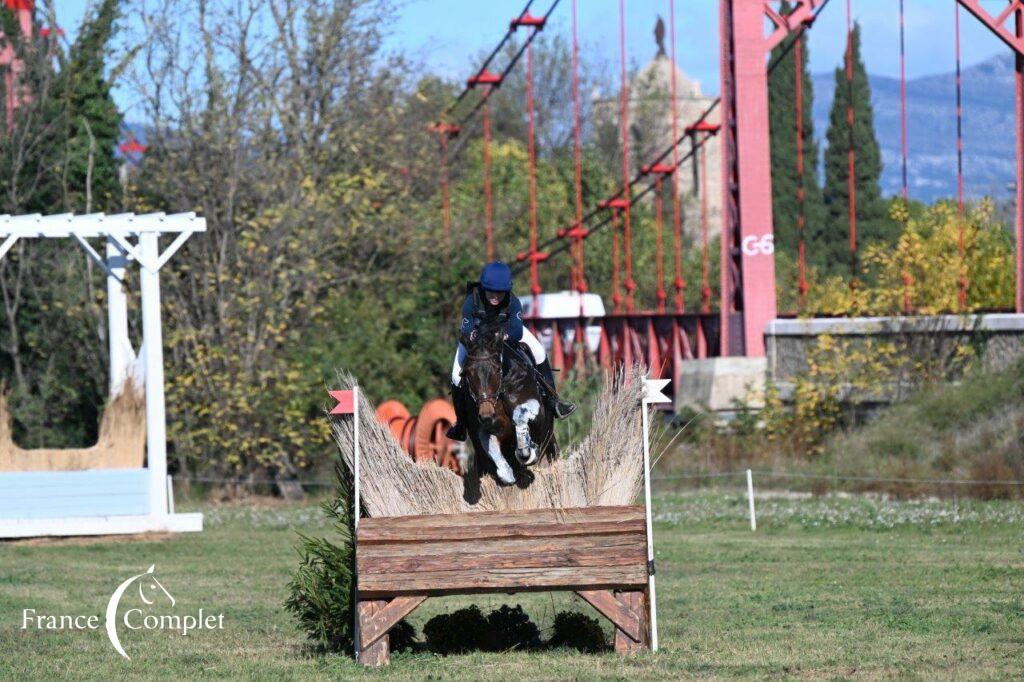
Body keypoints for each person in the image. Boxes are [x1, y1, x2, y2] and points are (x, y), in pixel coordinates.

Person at [446, 261, 576, 442]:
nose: (495, 296)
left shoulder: (513, 302)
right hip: (478, 342)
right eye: (490, 291)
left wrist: (503, 337)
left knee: (538, 351)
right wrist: (481, 339)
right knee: (455, 376)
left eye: (499, 293)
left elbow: (517, 331)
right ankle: (461, 423)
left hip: (506, 334)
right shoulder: (471, 301)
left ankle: (554, 401)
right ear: (483, 288)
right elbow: (467, 331)